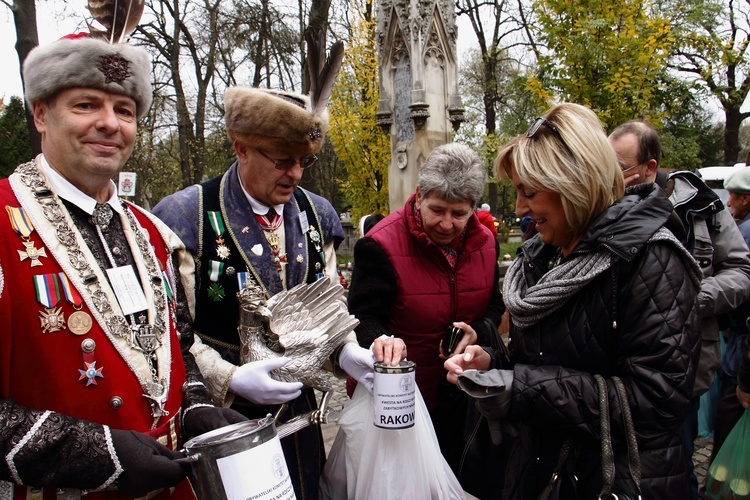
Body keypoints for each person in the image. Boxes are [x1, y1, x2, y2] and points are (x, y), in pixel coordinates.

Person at [0, 29, 243, 498]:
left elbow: (178, 348)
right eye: (87, 105)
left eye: (125, 111)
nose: (111, 124)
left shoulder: (152, 233)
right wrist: (95, 452)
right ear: (40, 113)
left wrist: (192, 408)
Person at [445, 103, 703, 498]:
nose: (519, 209)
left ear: (574, 183)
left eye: (529, 193)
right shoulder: (548, 255)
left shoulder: (652, 259)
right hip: (542, 474)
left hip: (612, 482)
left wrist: (520, 388)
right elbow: (550, 363)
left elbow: (658, 400)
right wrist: (495, 365)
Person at [152, 63, 376, 498]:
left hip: (300, 410)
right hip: (224, 418)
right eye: (282, 161)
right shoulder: (186, 217)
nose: (295, 174)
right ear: (241, 148)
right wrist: (229, 378)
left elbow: (328, 303)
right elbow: (169, 332)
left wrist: (345, 350)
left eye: (304, 161)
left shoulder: (316, 214)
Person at [347, 143, 505, 497]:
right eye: (437, 210)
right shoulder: (381, 244)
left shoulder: (487, 244)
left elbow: (494, 305)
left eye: (459, 213)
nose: (447, 224)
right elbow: (362, 317)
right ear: (418, 197)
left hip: (466, 402)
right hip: (404, 405)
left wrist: (477, 331)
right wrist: (381, 339)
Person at [609, 120, 750, 499]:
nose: (608, 177)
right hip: (619, 369)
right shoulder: (605, 205)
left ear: (649, 168)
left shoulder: (702, 206)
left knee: (677, 462)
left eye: (618, 168)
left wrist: (692, 298)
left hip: (685, 365)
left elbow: (741, 269)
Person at [710, 167, 750, 462]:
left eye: (733, 197)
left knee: (730, 411)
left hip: (742, 341)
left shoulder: (745, 232)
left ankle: (722, 483)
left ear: (746, 200)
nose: (728, 202)